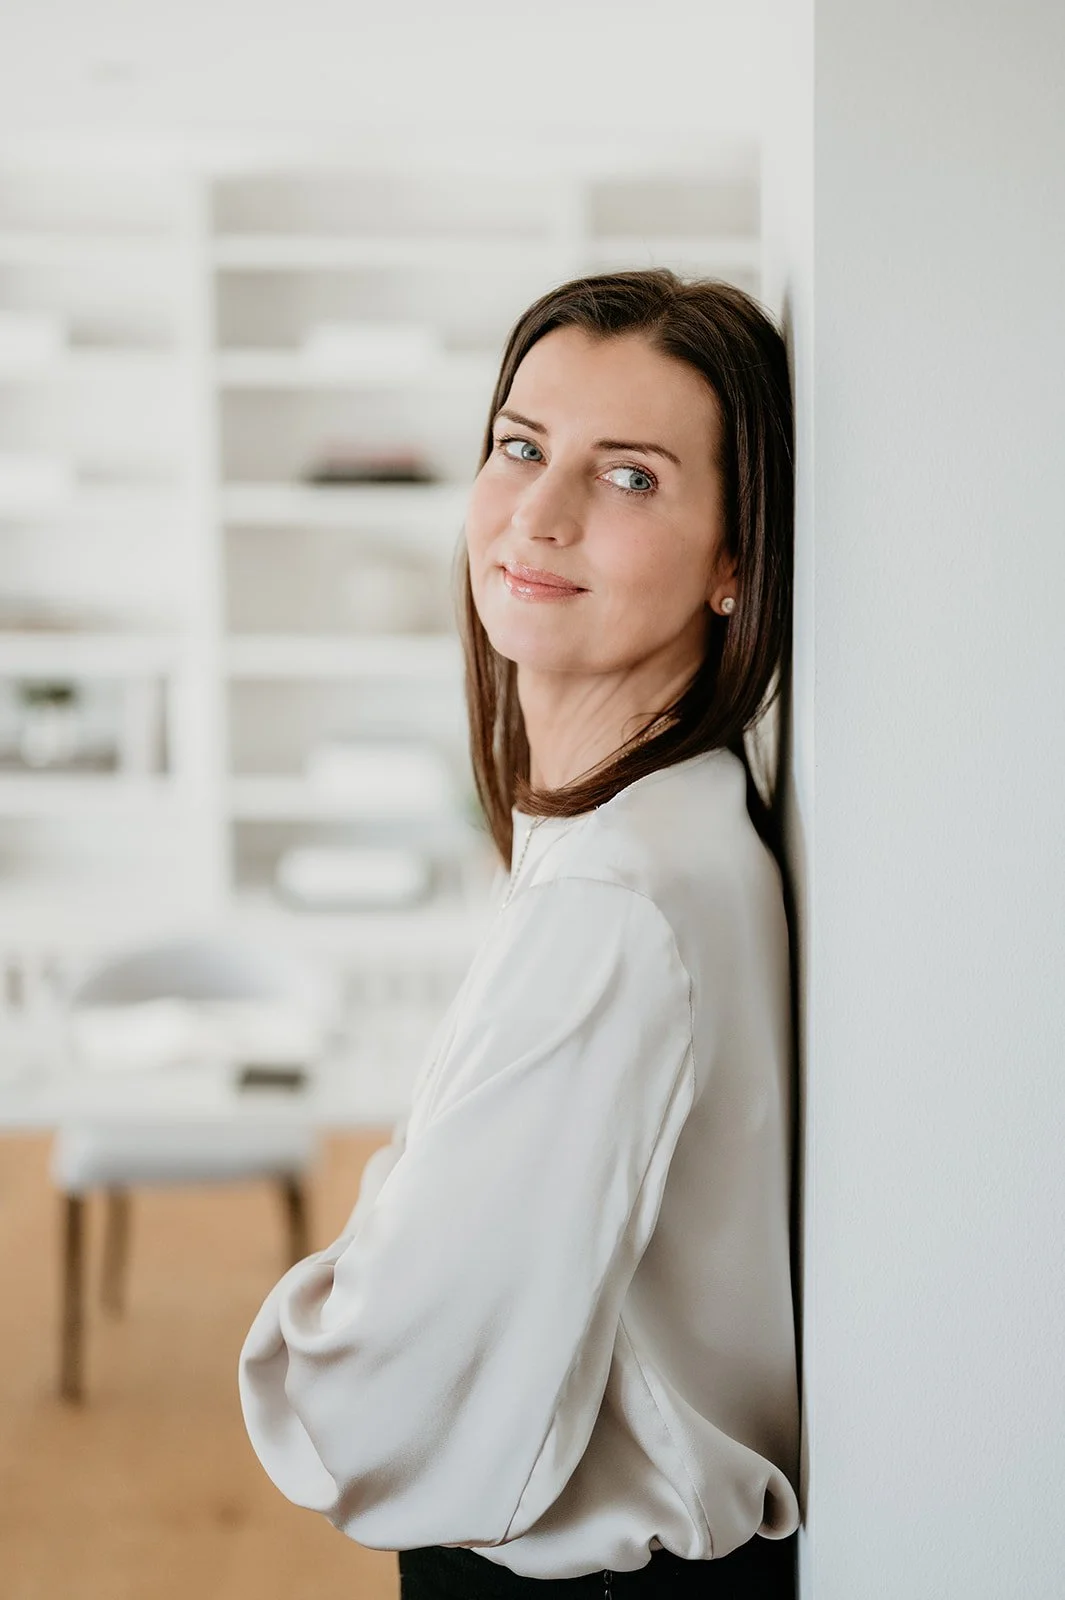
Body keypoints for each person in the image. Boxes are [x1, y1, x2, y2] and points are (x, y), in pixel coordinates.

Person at [238, 268, 800, 1598]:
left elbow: (375, 1411)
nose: (538, 516)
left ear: (736, 561)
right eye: (522, 447)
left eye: (632, 478)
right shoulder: (668, 818)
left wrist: (346, 1275)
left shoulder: (616, 899)